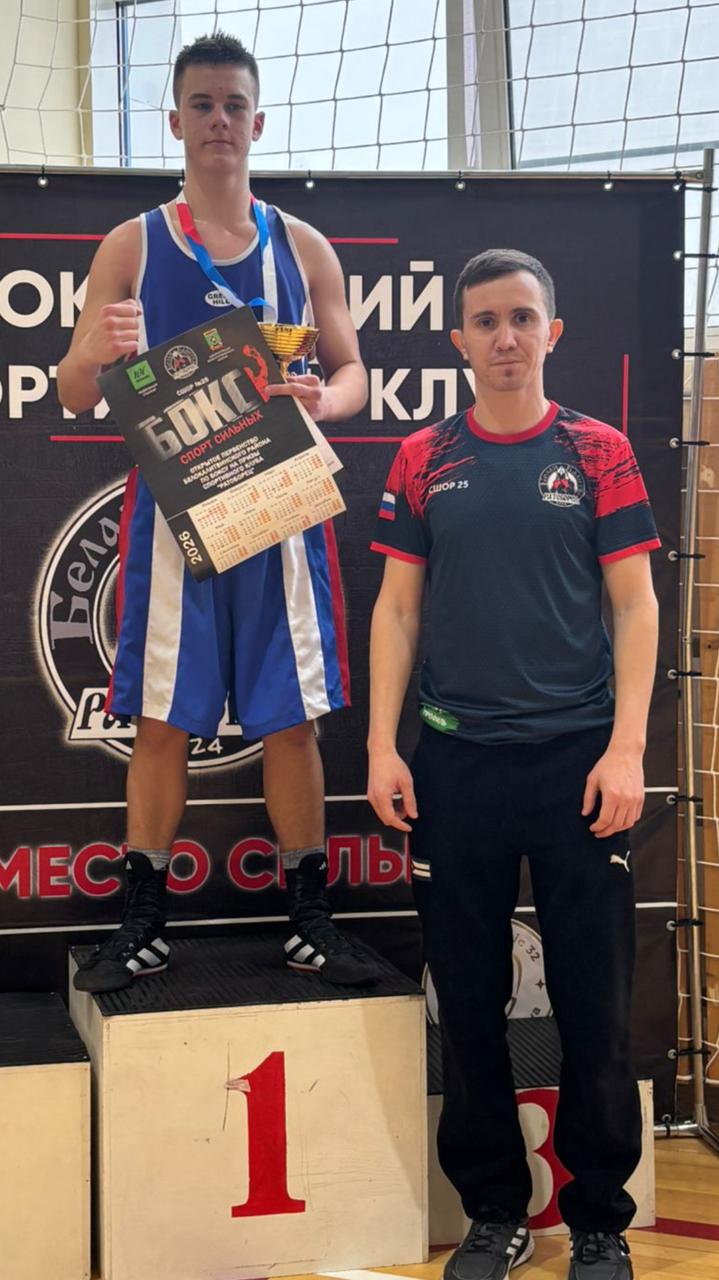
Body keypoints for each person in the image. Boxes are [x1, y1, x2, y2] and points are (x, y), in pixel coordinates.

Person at [58, 31, 378, 992]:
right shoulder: (132, 244)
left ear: (258, 121)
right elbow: (73, 390)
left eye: (234, 105)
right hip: (174, 511)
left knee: (291, 720)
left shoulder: (302, 245)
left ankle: (310, 918)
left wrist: (325, 400)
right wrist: (97, 352)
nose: (219, 121)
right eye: (202, 104)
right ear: (175, 120)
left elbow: (355, 372)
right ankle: (142, 920)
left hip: (278, 503)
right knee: (162, 720)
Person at [367, 248, 660, 1280]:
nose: (504, 337)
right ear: (457, 339)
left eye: (521, 318)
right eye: (485, 321)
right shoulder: (420, 457)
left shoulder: (598, 450)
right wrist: (382, 746)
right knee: (469, 1000)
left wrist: (626, 749)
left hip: (579, 764)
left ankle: (597, 1219)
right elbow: (397, 610)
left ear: (551, 331)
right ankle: (494, 1211)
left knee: (592, 1003)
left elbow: (635, 605)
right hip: (455, 766)